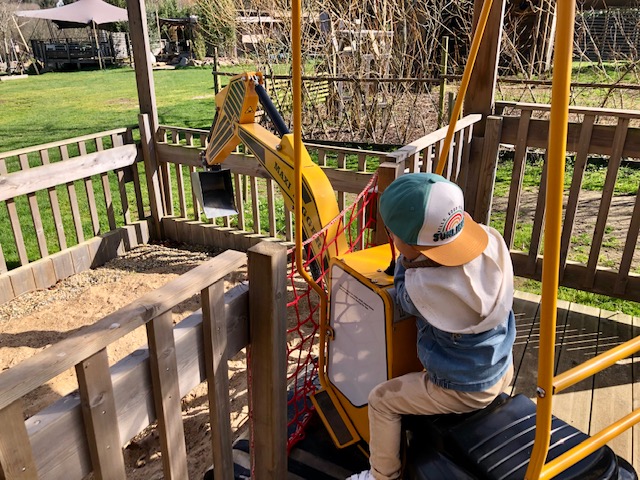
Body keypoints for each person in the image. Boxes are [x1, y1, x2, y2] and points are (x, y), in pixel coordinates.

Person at [347, 172, 515, 480]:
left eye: (394, 236)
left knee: (381, 400)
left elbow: (403, 296)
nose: (393, 240)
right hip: (502, 368)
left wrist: (405, 262)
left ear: (414, 246)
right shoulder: (491, 242)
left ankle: (382, 475)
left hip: (466, 389)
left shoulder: (424, 289)